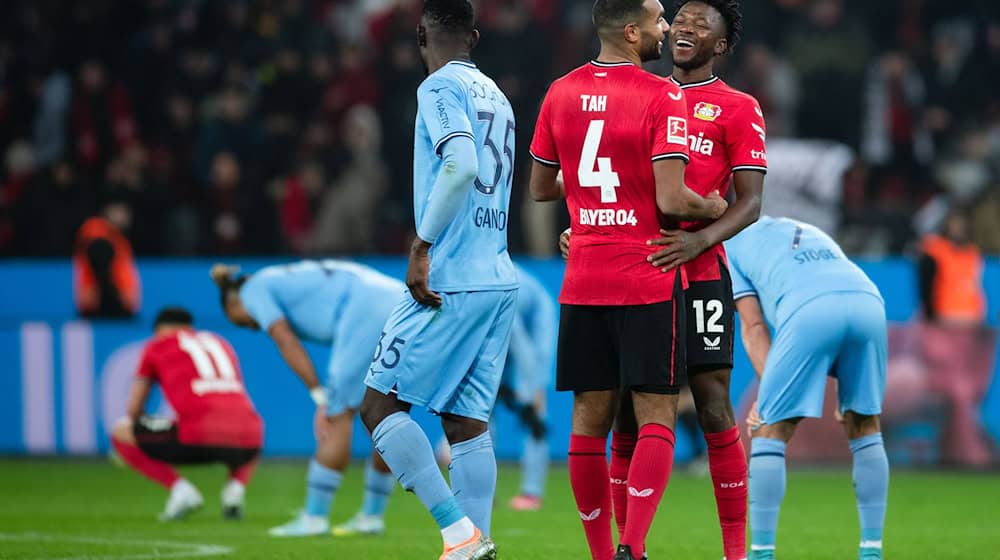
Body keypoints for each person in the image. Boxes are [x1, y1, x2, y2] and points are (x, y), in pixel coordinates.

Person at [528, 1, 727, 558]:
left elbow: (543, 188)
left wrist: (591, 206)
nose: (669, 29)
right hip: (646, 273)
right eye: (661, 19)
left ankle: (598, 553)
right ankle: (632, 549)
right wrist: (711, 207)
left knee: (590, 419)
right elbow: (671, 198)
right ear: (633, 30)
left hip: (583, 275)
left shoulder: (559, 91)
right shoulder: (663, 94)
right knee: (656, 412)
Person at [358, 1, 518, 559]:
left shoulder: (436, 88)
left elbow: (462, 165)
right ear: (473, 36)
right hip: (499, 274)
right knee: (466, 421)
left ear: (421, 35)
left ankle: (457, 532)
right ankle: (474, 546)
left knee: (379, 408)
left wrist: (422, 244)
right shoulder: (497, 95)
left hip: (451, 276)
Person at [608, 2, 765, 559]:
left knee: (715, 403)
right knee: (628, 407)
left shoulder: (739, 108)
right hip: (634, 267)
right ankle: (628, 547)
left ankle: (735, 553)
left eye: (704, 24)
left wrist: (700, 239)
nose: (687, 26)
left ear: (722, 45)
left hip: (699, 274)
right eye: (682, 18)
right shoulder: (636, 92)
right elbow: (602, 178)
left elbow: (749, 204)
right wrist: (585, 229)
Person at [730, 217, 889, 560]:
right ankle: (872, 551)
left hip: (811, 309)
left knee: (769, 428)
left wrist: (767, 390)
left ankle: (760, 555)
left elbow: (754, 325)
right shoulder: (797, 226)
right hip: (868, 301)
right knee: (865, 424)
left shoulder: (727, 247)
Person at [211, 260, 402, 538]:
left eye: (242, 321)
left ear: (233, 303)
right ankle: (371, 516)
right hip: (397, 299)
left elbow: (285, 339)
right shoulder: (278, 277)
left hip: (363, 309)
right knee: (383, 416)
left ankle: (314, 517)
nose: (253, 327)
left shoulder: (252, 289)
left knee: (337, 418)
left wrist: (319, 394)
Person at [109, 307, 263, 521]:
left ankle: (181, 490)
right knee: (246, 427)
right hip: (249, 441)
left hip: (197, 436)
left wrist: (143, 430)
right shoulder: (220, 342)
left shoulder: (157, 345)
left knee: (121, 430)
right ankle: (234, 491)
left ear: (160, 329)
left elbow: (134, 409)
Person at [917, 209, 995, 466]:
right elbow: (926, 287)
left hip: (970, 329)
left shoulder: (972, 254)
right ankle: (967, 450)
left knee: (967, 393)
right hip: (942, 328)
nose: (958, 228)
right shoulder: (934, 251)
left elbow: (973, 287)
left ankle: (961, 445)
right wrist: (931, 318)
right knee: (954, 391)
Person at [504, 264, 557, 512]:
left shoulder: (497, 289)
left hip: (535, 323)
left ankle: (531, 493)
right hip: (505, 335)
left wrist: (533, 386)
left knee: (534, 410)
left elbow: (521, 343)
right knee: (479, 407)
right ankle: (480, 491)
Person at [74, 203, 141, 319]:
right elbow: (100, 266)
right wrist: (116, 300)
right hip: (103, 306)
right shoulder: (96, 232)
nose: (125, 216)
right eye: (120, 210)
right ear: (107, 211)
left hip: (116, 302)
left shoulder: (118, 238)